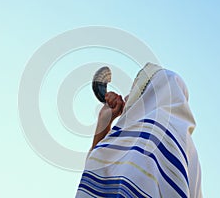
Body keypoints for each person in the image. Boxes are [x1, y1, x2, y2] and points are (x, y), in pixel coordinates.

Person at [76, 63, 202, 198]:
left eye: (136, 90)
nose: (126, 98)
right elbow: (97, 172)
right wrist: (104, 120)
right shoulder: (189, 153)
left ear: (150, 93)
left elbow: (99, 176)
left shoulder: (151, 131)